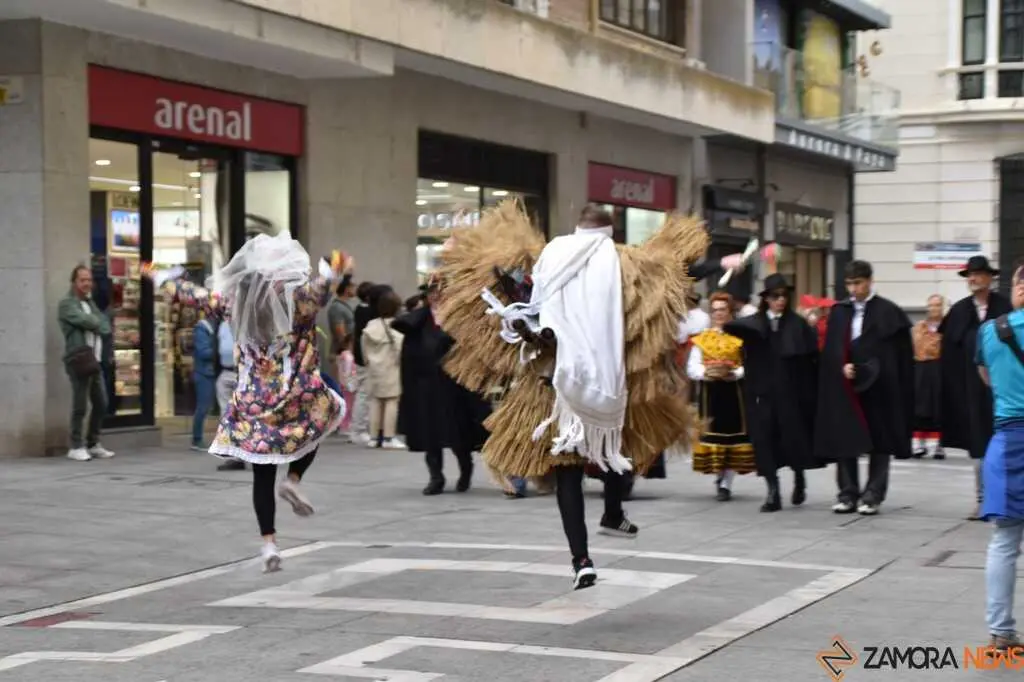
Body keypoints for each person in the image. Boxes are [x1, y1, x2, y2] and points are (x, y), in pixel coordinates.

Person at [435, 201, 709, 589]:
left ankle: (581, 559)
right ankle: (612, 514)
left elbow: (525, 302)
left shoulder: (550, 255)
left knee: (569, 471)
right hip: (606, 378)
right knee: (616, 447)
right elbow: (666, 286)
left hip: (553, 381)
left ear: (578, 227)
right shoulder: (625, 262)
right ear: (609, 232)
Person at [142, 234, 352, 573]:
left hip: (253, 404)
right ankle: (294, 479)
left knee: (261, 476)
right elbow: (324, 288)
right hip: (295, 394)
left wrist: (159, 276)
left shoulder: (233, 305)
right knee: (324, 417)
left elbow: (191, 295)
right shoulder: (299, 302)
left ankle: (269, 544)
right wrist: (334, 268)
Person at [814, 260, 914, 516]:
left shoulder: (888, 312)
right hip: (847, 387)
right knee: (845, 437)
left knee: (880, 440)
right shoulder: (840, 311)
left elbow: (898, 356)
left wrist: (871, 369)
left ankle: (873, 494)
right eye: (849, 284)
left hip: (880, 387)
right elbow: (832, 350)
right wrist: (841, 366)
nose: (853, 289)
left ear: (869, 281)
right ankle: (848, 492)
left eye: (857, 283)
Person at [725, 273, 820, 512]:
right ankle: (773, 491)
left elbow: (810, 360)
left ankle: (799, 478)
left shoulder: (798, 325)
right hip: (762, 393)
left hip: (791, 394)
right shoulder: (755, 324)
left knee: (793, 438)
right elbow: (734, 334)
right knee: (764, 440)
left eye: (784, 296)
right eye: (775, 296)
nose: (780, 300)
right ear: (766, 299)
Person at [393, 278, 489, 495]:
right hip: (427, 387)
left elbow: (471, 353)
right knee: (431, 435)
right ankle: (436, 477)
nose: (436, 295)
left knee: (458, 434)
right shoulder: (418, 321)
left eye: (440, 291)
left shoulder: (460, 318)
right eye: (431, 291)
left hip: (455, 387)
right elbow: (409, 357)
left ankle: (465, 469)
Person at [941, 255, 1012, 520]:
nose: (973, 278)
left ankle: (1007, 498)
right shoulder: (959, 311)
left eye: (978, 274)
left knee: (1005, 440)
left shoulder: (1005, 307)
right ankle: (983, 499)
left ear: (990, 278)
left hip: (1003, 387)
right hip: (970, 388)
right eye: (970, 274)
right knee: (978, 443)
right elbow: (949, 355)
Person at [977, 261, 1024, 653]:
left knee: (1005, 539)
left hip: (1007, 441)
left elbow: (986, 377)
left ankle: (1001, 632)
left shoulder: (990, 330)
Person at [686, 292, 756, 501]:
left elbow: (750, 364)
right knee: (714, 436)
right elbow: (692, 367)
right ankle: (720, 477)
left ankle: (726, 483)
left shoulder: (741, 337)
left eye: (722, 309)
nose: (719, 314)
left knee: (733, 438)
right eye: (715, 310)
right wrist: (706, 373)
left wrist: (736, 373)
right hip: (710, 394)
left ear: (730, 311)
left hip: (735, 393)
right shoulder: (702, 338)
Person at [58, 265, 115, 462]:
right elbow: (89, 322)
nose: (87, 283)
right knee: (80, 405)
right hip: (79, 359)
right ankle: (75, 446)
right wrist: (95, 322)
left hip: (95, 359)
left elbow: (105, 326)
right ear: (74, 282)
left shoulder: (90, 303)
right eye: (83, 280)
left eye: (89, 280)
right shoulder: (67, 304)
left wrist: (94, 322)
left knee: (101, 403)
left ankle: (93, 443)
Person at [361, 290, 406, 450]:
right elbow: (401, 349)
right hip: (391, 368)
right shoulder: (398, 325)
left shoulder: (371, 325)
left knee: (375, 402)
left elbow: (364, 348)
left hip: (374, 369)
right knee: (391, 401)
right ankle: (388, 437)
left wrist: (368, 362)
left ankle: (374, 438)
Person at [912, 294, 945, 459]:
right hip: (921, 368)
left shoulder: (948, 326)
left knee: (939, 405)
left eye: (938, 305)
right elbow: (916, 347)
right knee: (920, 405)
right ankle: (919, 443)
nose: (934, 308)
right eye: (931, 305)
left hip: (940, 368)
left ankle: (938, 445)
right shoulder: (919, 327)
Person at [214, 321, 245, 471]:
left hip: (243, 372)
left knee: (242, 414)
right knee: (226, 414)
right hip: (226, 371)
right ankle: (233, 454)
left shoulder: (245, 322)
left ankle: (242, 454)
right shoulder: (223, 325)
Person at [349, 281, 376, 445]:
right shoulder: (368, 311)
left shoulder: (359, 309)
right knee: (364, 393)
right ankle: (358, 430)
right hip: (365, 356)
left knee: (363, 393)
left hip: (360, 355)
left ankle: (359, 428)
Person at [191, 316, 219, 452]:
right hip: (204, 373)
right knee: (203, 407)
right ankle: (197, 439)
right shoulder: (202, 328)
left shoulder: (217, 326)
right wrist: (219, 349)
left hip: (213, 371)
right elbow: (203, 352)